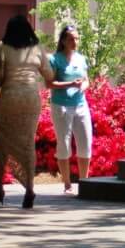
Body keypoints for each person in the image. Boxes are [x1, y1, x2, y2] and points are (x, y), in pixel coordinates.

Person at [0, 15, 54, 209]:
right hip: (31, 99)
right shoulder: (37, 48)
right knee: (27, 142)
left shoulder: (2, 47)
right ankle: (30, 189)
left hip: (9, 98)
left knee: (3, 143)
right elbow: (48, 74)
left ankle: (0, 189)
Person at [48, 25, 93, 195]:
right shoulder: (55, 59)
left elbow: (87, 80)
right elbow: (49, 84)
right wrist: (71, 84)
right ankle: (67, 185)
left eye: (77, 38)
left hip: (80, 104)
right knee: (64, 145)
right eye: (71, 39)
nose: (75, 42)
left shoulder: (81, 59)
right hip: (61, 106)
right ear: (64, 41)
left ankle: (84, 182)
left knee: (85, 142)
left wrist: (83, 86)